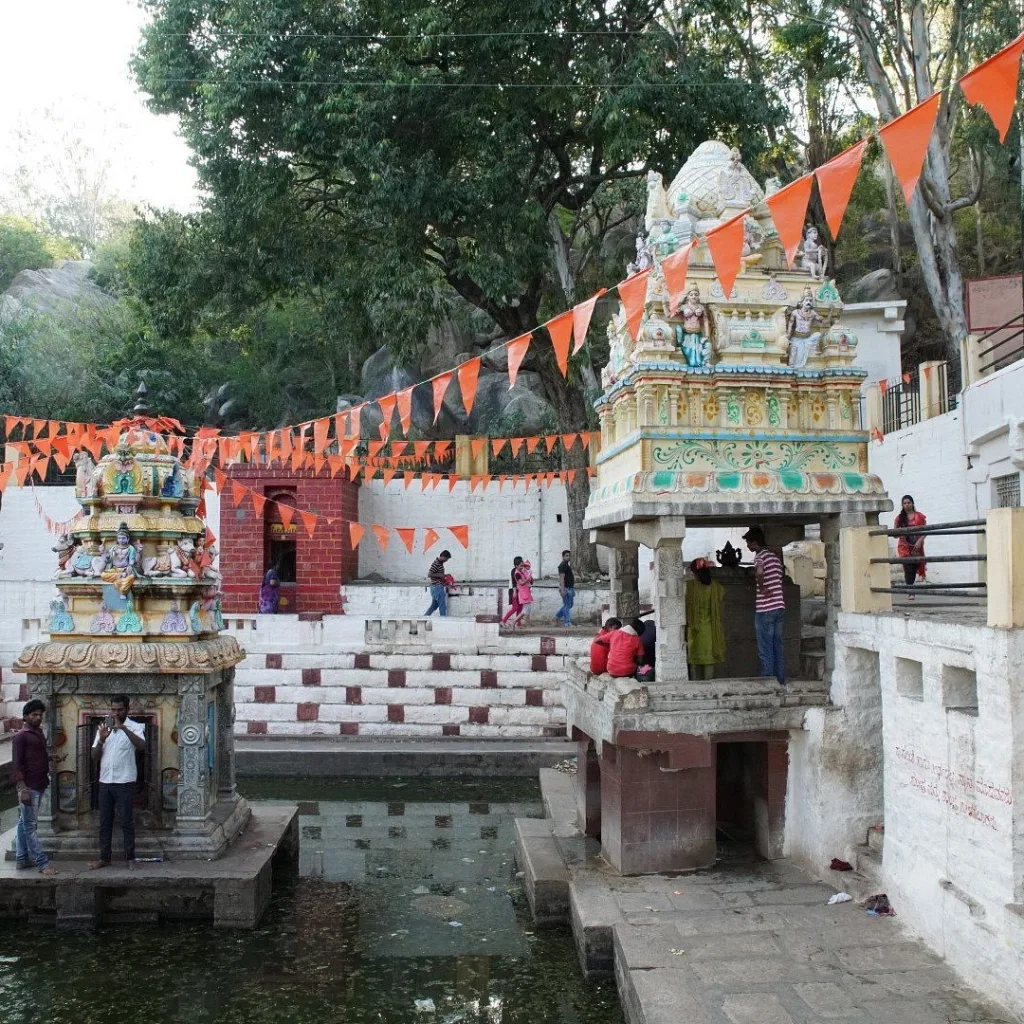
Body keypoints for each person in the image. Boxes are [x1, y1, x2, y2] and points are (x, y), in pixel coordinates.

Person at [88, 695, 146, 870]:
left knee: (127, 821)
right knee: (105, 822)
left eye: (119, 709)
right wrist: (102, 739)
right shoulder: (103, 728)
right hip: (105, 783)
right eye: (113, 709)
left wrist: (124, 729)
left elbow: (142, 747)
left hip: (125, 782)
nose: (116, 713)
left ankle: (131, 858)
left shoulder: (135, 727)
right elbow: (94, 756)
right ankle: (104, 858)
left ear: (127, 709)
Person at [12, 700, 58, 875]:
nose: (38, 717)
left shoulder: (38, 733)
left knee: (23, 823)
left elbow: (37, 756)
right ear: (25, 717)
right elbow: (16, 765)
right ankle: (42, 863)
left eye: (40, 715)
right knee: (30, 826)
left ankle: (21, 859)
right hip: (29, 787)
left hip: (39, 783)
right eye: (34, 715)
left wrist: (50, 758)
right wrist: (22, 789)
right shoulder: (20, 737)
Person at [743, 527, 786, 685]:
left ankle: (768, 681)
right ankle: (780, 680)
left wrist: (761, 588)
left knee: (765, 647)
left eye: (748, 543)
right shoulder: (774, 558)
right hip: (779, 606)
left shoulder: (760, 557)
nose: (748, 546)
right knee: (777, 646)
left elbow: (760, 572)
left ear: (755, 542)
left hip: (766, 608)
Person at [686, 558, 725, 680]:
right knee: (709, 660)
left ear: (695, 573)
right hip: (710, 630)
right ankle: (710, 687)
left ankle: (696, 689)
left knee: (694, 661)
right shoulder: (717, 588)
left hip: (695, 629)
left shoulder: (690, 587)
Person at [895, 495, 927, 597]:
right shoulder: (899, 518)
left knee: (913, 567)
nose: (907, 505)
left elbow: (925, 530)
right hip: (904, 546)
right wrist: (899, 532)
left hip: (916, 546)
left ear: (912, 503)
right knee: (908, 568)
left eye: (908, 502)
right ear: (902, 505)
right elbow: (895, 535)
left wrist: (920, 541)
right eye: (904, 503)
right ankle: (911, 592)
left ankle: (911, 588)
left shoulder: (919, 516)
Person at [424, 550, 452, 617]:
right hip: (437, 587)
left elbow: (438, 575)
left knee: (434, 606)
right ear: (442, 556)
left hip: (436, 587)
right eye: (446, 559)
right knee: (442, 606)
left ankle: (425, 618)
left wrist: (445, 575)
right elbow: (429, 574)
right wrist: (441, 575)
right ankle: (443, 621)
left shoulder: (440, 564)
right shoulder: (436, 563)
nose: (446, 560)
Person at [554, 549, 576, 627]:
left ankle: (556, 617)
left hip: (570, 588)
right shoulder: (562, 565)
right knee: (567, 606)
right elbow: (562, 578)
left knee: (569, 605)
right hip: (566, 588)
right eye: (566, 556)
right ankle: (567, 623)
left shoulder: (566, 565)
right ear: (563, 557)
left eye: (569, 556)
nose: (568, 557)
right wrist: (563, 590)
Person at [501, 556, 524, 625]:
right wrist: (514, 592)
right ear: (516, 565)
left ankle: (518, 624)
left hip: (520, 592)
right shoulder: (514, 571)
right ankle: (503, 621)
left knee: (520, 607)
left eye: (522, 565)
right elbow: (514, 582)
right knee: (515, 607)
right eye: (520, 566)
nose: (522, 567)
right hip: (513, 591)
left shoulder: (521, 571)